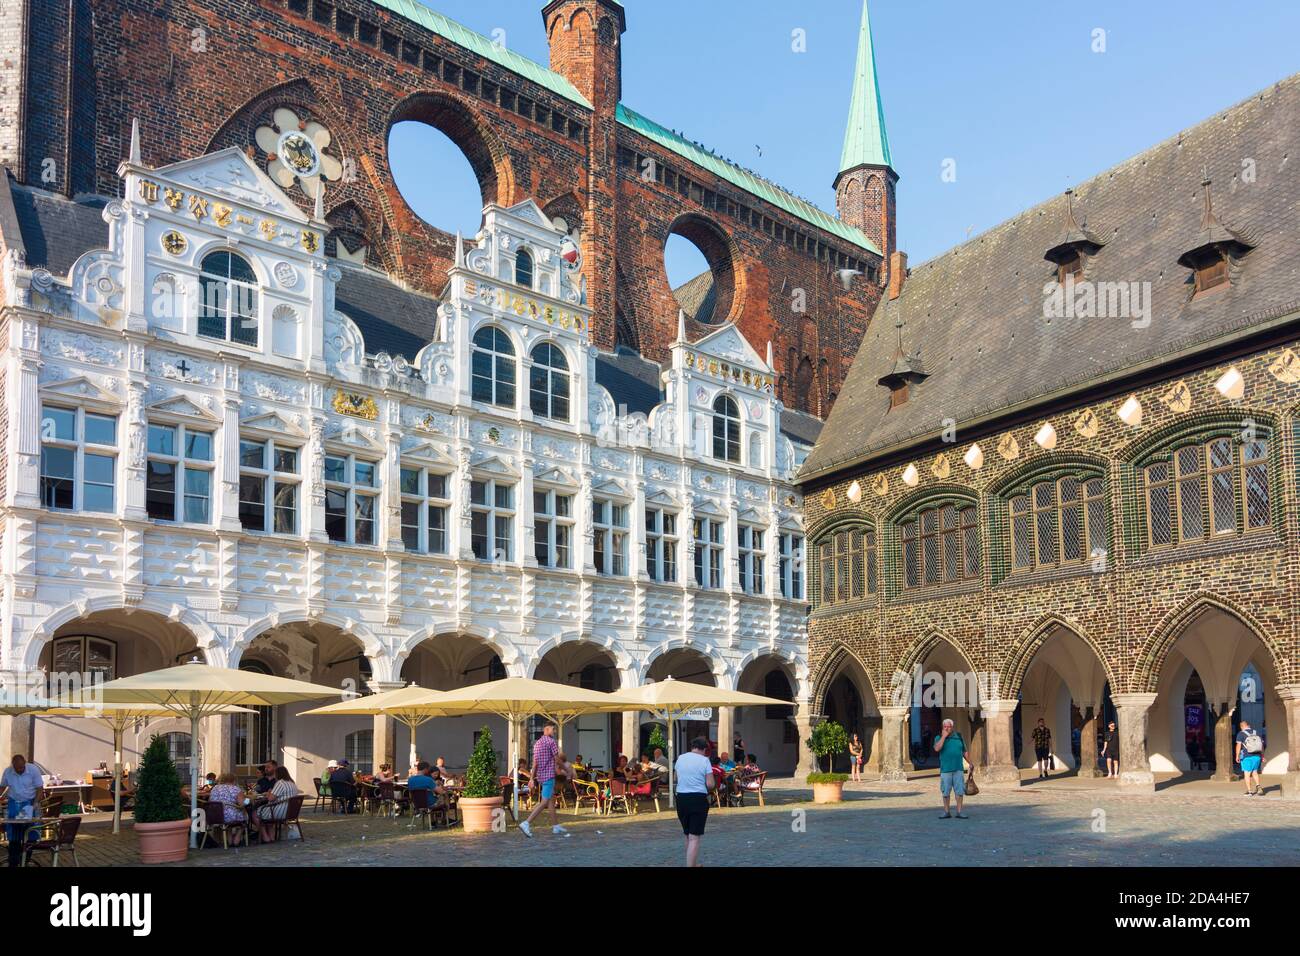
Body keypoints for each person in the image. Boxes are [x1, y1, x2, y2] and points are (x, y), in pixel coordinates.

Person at [519, 722, 566, 838]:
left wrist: (531, 779)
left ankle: (556, 826)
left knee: (550, 800)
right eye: (553, 729)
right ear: (547, 729)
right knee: (545, 801)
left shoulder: (537, 744)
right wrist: (566, 769)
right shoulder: (551, 742)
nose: (554, 731)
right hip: (549, 776)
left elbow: (535, 764)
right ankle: (526, 823)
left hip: (541, 776)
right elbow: (557, 759)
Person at [675, 737, 716, 867]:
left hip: (681, 798)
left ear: (692, 747)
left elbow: (676, 777)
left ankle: (692, 863)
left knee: (688, 834)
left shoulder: (681, 758)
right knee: (694, 837)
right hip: (697, 798)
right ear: (704, 749)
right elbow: (710, 784)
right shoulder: (704, 760)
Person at [2, 754, 44, 868]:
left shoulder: (33, 770)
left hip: (28, 803)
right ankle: (14, 862)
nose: (19, 770)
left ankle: (25, 860)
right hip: (14, 803)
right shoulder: (8, 772)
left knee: (29, 834)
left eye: (21, 767)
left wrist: (35, 804)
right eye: (17, 768)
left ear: (25, 763)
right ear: (13, 766)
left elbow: (40, 789)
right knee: (14, 836)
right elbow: (2, 787)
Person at [933, 718, 969, 819]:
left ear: (952, 727)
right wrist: (944, 737)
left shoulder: (959, 737)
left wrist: (970, 762)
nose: (947, 728)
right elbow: (937, 748)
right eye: (945, 726)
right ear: (942, 727)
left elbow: (964, 751)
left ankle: (959, 811)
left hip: (958, 768)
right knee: (945, 792)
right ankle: (946, 811)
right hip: (946, 770)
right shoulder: (938, 737)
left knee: (960, 791)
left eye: (949, 726)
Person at [256, 766, 300, 843]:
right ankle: (271, 837)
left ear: (278, 774)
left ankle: (265, 837)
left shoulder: (280, 783)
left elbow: (270, 798)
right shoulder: (292, 783)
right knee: (267, 812)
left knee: (255, 813)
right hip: (290, 812)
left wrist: (269, 793)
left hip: (280, 811)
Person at [208, 772, 248, 846]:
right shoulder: (235, 789)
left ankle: (229, 841)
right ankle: (237, 838)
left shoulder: (215, 788)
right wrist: (249, 800)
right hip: (229, 817)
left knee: (229, 817)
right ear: (233, 780)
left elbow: (210, 801)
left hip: (214, 816)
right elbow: (242, 804)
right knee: (245, 815)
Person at [1235, 720, 1265, 796]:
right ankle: (1258, 786)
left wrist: (1237, 756)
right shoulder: (1256, 732)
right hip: (1257, 756)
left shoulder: (1241, 734)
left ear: (1242, 726)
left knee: (1247, 774)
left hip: (1247, 756)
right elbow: (1261, 745)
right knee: (1255, 772)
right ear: (1248, 725)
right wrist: (1262, 756)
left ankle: (1249, 791)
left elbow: (1238, 746)